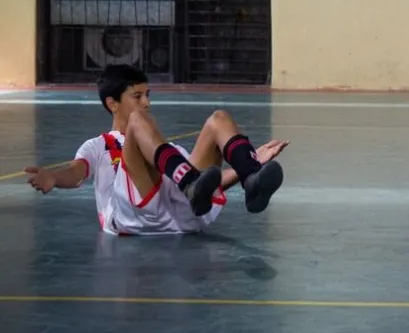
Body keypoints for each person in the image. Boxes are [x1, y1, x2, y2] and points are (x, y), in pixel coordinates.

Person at [24, 64, 288, 235]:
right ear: (112, 104)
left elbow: (208, 182)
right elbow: (77, 171)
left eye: (148, 94)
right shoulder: (100, 145)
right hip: (132, 218)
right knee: (138, 123)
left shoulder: (165, 150)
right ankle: (190, 183)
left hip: (182, 217)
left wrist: (240, 170)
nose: (147, 102)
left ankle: (251, 178)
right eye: (137, 96)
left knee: (219, 119)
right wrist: (54, 178)